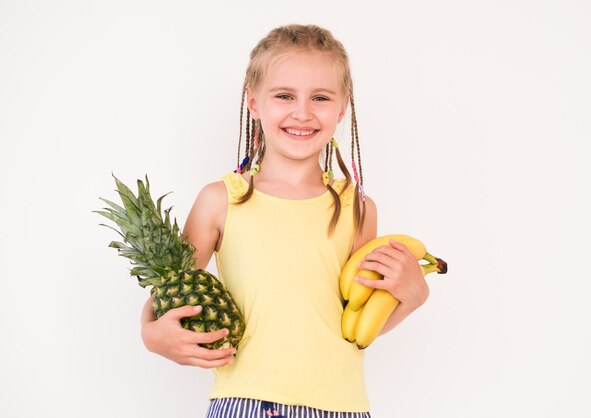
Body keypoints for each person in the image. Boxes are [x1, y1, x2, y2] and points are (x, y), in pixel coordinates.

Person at [140, 24, 429, 418]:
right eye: (285, 95)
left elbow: (358, 324)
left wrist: (413, 297)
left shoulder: (358, 208)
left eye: (321, 97)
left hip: (340, 407)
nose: (302, 112)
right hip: (243, 402)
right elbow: (173, 287)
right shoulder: (220, 200)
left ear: (342, 107)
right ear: (254, 102)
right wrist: (151, 334)